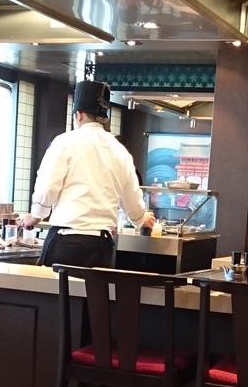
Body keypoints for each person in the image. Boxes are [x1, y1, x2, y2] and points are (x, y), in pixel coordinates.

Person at [20, 80, 155, 268]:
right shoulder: (120, 151)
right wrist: (141, 219)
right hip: (101, 246)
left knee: (57, 289)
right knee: (95, 289)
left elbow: (47, 187)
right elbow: (132, 199)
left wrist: (35, 216)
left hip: (66, 241)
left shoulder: (65, 142)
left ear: (79, 114)